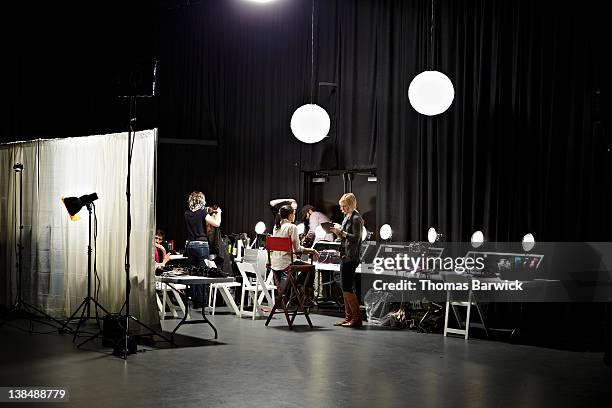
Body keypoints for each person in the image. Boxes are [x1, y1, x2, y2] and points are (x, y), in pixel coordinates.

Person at [271, 205, 319, 307]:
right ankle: (302, 296)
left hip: (275, 263)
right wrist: (311, 250)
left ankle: (295, 293)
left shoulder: (276, 227)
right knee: (311, 268)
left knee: (303, 267)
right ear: (290, 215)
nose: (294, 216)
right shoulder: (292, 227)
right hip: (287, 263)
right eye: (293, 214)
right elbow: (297, 249)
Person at [330, 193, 363, 328]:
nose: (341, 209)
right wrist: (338, 233)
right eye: (341, 206)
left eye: (343, 206)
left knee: (348, 288)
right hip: (345, 255)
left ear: (350, 205)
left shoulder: (356, 218)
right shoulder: (347, 217)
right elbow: (345, 237)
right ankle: (348, 317)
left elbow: (356, 237)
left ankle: (356, 319)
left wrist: (342, 233)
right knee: (345, 288)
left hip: (351, 257)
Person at [184, 191, 222, 309]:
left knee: (194, 274)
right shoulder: (202, 212)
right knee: (203, 274)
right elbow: (216, 224)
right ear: (202, 200)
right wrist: (219, 213)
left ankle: (195, 301)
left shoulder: (187, 214)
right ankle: (202, 302)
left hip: (190, 245)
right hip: (201, 245)